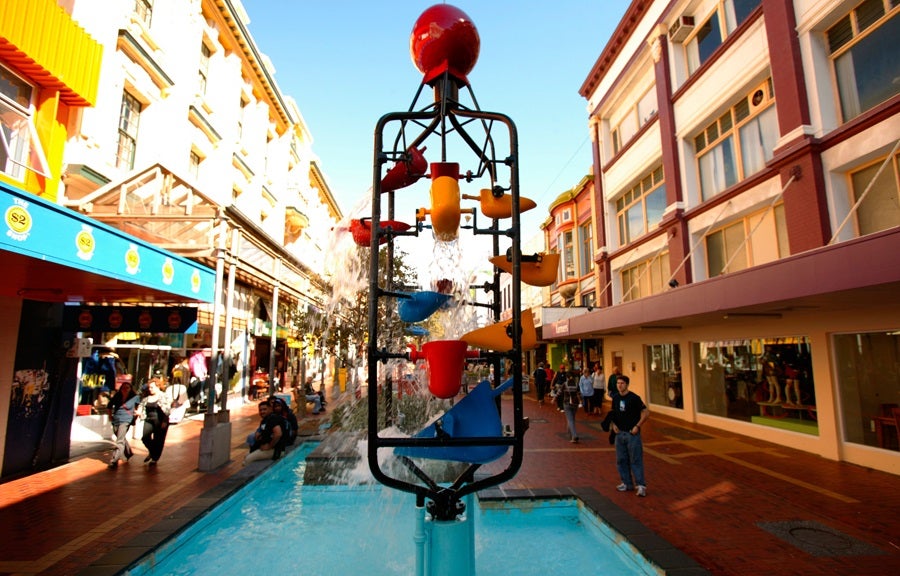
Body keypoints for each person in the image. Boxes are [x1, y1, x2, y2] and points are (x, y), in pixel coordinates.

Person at [610, 374, 649, 497]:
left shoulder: (634, 398)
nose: (619, 385)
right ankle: (626, 483)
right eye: (618, 383)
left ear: (627, 384)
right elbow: (614, 413)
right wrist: (613, 425)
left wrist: (638, 426)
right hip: (619, 434)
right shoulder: (615, 398)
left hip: (632, 434)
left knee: (635, 459)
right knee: (621, 460)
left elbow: (646, 412)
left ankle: (641, 485)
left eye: (622, 383)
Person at [107, 382, 140, 469]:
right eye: (123, 388)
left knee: (119, 441)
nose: (125, 389)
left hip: (126, 420)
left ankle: (114, 460)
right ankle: (128, 452)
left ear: (130, 389)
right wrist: (110, 416)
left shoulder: (135, 397)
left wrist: (136, 416)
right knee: (120, 437)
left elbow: (138, 408)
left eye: (127, 388)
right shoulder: (117, 396)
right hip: (116, 419)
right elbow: (109, 406)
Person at [137, 380, 171, 465]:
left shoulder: (163, 396)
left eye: (152, 387)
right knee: (145, 437)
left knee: (158, 440)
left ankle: (154, 458)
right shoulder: (147, 397)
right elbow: (141, 405)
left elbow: (167, 410)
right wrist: (139, 411)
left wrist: (165, 421)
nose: (150, 389)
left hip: (160, 420)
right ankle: (152, 452)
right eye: (149, 387)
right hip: (148, 419)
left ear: (158, 387)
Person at [244, 400, 285, 465]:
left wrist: (269, 446)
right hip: (266, 447)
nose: (262, 412)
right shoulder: (265, 420)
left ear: (270, 409)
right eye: (260, 410)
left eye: (264, 409)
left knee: (247, 460)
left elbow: (278, 434)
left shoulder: (273, 419)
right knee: (246, 455)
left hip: (276, 450)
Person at [563, 370, 581, 443]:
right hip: (575, 404)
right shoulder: (576, 384)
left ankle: (574, 435)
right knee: (572, 418)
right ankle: (570, 432)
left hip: (567, 403)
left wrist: (554, 398)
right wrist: (581, 401)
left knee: (570, 419)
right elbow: (579, 393)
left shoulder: (565, 384)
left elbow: (559, 392)